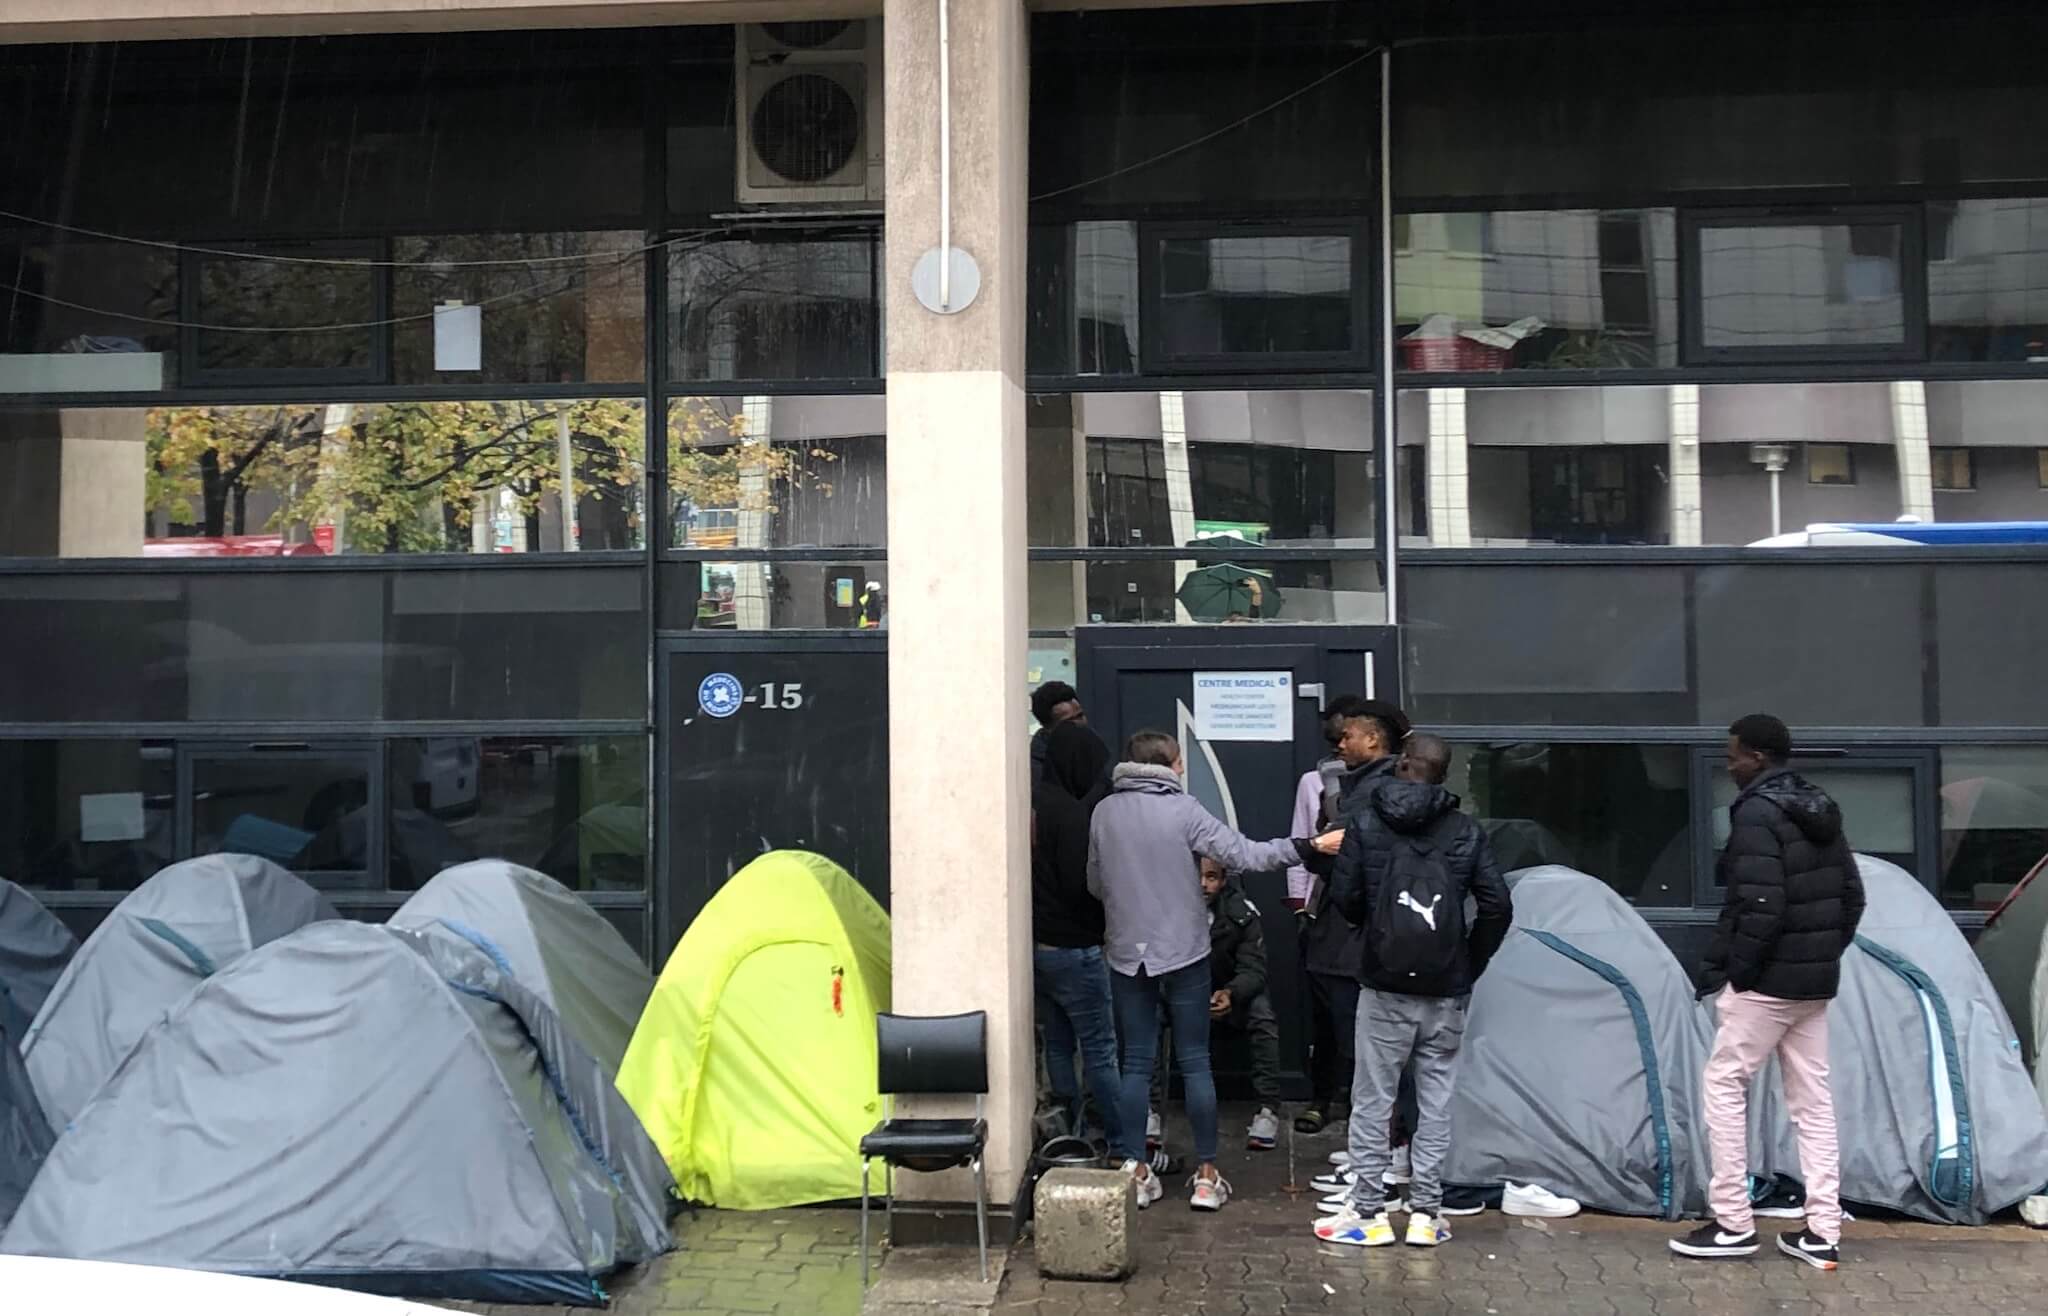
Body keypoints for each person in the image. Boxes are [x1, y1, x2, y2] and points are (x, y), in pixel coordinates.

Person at [1089, 729, 1336, 1211]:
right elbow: (1247, 855)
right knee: (1195, 1059)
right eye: (1180, 761)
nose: (1183, 768)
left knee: (1136, 1062)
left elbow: (1095, 881)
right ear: (1168, 765)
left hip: (1125, 953)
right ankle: (1206, 1176)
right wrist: (1308, 847)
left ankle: (1137, 1170)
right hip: (1185, 951)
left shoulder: (1104, 812)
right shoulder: (1184, 811)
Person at [1671, 714, 1863, 1272]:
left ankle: (1733, 1221)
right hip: (1813, 983)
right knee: (1813, 1102)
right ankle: (1822, 1231)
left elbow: (1760, 905)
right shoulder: (1819, 808)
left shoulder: (1757, 812)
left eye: (1734, 756)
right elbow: (1853, 896)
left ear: (1757, 757)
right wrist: (1821, 954)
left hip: (1766, 984)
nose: (1729, 766)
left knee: (1725, 1088)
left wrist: (1741, 973)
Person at [1314, 733, 1512, 1249]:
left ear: (1402, 764)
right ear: (1443, 775)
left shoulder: (1364, 822)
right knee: (1437, 1101)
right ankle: (1426, 1214)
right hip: (1447, 988)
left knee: (1373, 1100)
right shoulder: (1464, 830)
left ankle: (1368, 1213)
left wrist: (1374, 936)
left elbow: (1346, 897)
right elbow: (1497, 906)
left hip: (1383, 986)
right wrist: (1469, 960)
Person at [1295, 699, 1410, 1136]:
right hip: (1363, 935)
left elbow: (1331, 851)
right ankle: (1381, 1152)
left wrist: (1318, 853)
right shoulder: (1370, 786)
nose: (1340, 743)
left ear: (1374, 739)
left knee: (1365, 1048)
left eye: (1348, 736)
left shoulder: (1371, 793)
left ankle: (1375, 1157)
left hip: (1350, 938)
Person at [1151, 857, 1288, 1152]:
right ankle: (1149, 1111)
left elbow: (1254, 968)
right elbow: (1157, 963)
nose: (1203, 884)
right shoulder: (1168, 911)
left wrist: (1231, 993)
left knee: (1262, 1015)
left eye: (1212, 877)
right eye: (1197, 876)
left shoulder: (1241, 914)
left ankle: (1268, 1110)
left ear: (1224, 880)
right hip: (1180, 994)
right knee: (1149, 1014)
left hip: (1227, 995)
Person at [1031, 721, 1123, 1151]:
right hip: (1075, 948)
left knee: (1058, 1044)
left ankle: (1067, 1137)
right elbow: (1080, 884)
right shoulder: (1069, 815)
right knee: (1101, 1051)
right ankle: (1120, 1144)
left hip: (1038, 947)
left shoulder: (1031, 804)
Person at [1030, 681, 1087, 787]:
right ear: (1048, 727)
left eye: (1080, 716)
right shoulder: (1035, 771)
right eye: (1069, 721)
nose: (1078, 724)